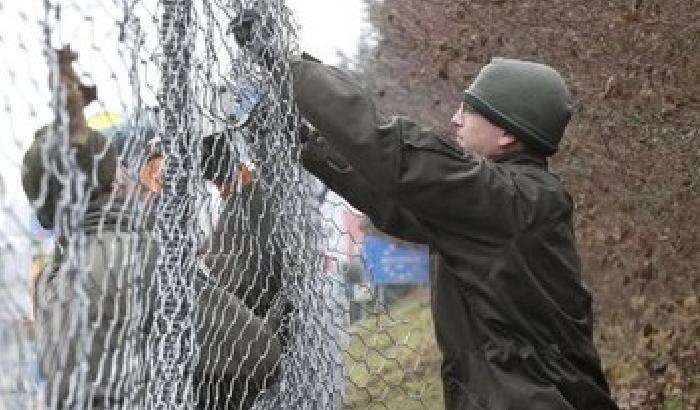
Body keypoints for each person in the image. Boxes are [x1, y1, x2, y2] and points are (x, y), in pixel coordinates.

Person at [232, 12, 621, 408]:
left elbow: (398, 157)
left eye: (470, 111)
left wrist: (290, 65)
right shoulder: (503, 206)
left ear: (506, 133)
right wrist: (308, 142)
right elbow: (395, 205)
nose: (456, 119)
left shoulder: (511, 200)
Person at [23, 46, 281, 409]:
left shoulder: (55, 279)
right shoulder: (133, 257)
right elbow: (260, 355)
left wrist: (233, 190)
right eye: (123, 165)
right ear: (114, 181)